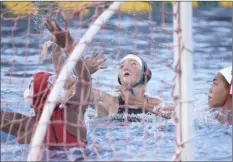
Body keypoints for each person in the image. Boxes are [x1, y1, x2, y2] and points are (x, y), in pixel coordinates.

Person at [44, 19, 174, 120]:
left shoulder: (156, 102)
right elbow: (67, 85)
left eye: (133, 64)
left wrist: (136, 102)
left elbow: (180, 113)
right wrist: (58, 49)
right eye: (121, 66)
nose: (125, 67)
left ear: (145, 75)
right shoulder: (109, 103)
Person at [1, 45, 105, 149]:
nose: (73, 86)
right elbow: (83, 80)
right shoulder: (73, 113)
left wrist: (57, 47)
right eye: (70, 85)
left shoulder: (23, 124)